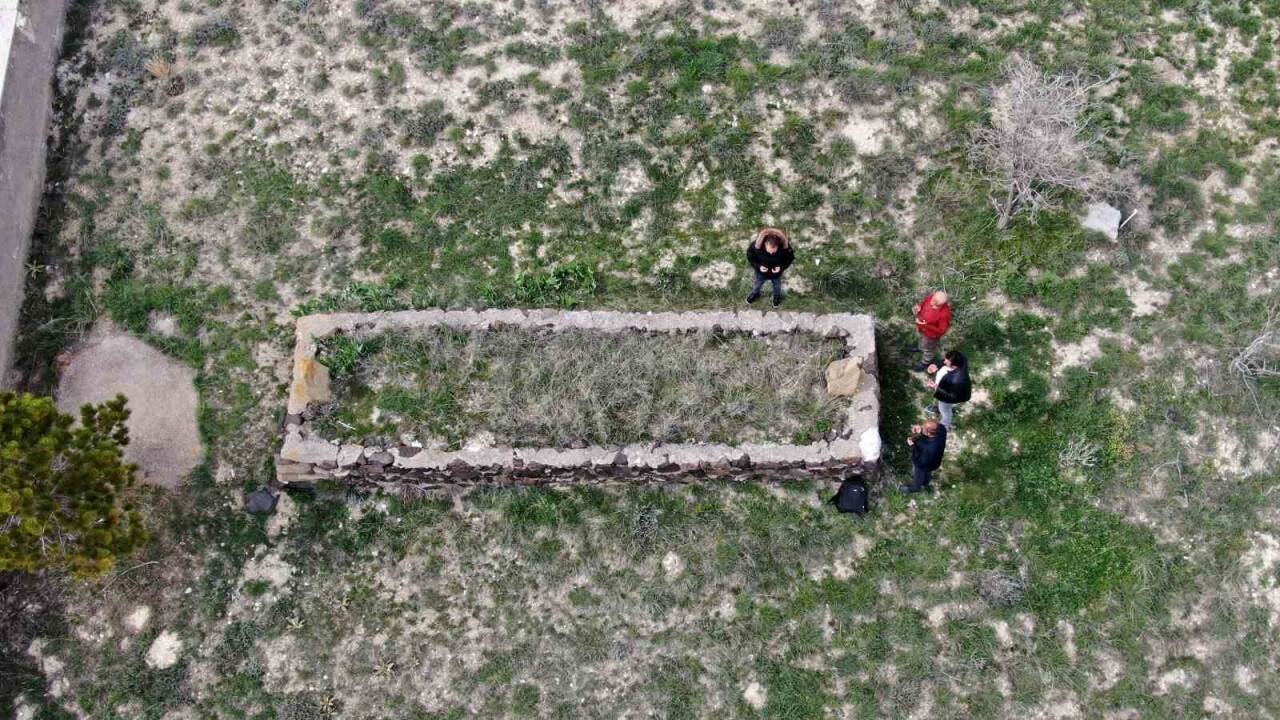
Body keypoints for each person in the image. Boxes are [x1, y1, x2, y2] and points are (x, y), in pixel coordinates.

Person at [745, 227, 794, 307]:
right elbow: (750, 257)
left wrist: (781, 267)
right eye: (769, 250)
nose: (771, 253)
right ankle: (755, 294)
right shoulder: (756, 247)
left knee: (777, 287)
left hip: (776, 274)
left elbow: (789, 259)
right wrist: (758, 267)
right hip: (761, 273)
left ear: (778, 246)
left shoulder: (785, 248)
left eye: (774, 251)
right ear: (765, 244)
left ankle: (777, 297)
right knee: (757, 285)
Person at [927, 350, 971, 429]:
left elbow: (953, 396)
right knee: (945, 407)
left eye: (946, 362)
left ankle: (944, 426)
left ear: (954, 366)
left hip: (948, 398)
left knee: (946, 412)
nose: (944, 362)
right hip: (947, 389)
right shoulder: (961, 358)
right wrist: (937, 365)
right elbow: (949, 359)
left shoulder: (957, 380)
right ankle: (939, 409)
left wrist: (936, 388)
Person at [900, 419, 946, 493]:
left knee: (918, 480)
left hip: (923, 465)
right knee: (928, 473)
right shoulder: (942, 430)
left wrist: (912, 445)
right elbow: (939, 427)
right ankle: (926, 482)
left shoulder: (928, 447)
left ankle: (912, 489)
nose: (922, 427)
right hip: (934, 462)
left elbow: (921, 461)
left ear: (928, 433)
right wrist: (921, 429)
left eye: (923, 428)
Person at [911, 290, 952, 371]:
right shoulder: (931, 299)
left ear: (941, 305)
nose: (931, 304)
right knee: (922, 340)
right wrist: (919, 308)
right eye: (932, 300)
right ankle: (920, 348)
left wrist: (926, 325)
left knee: (929, 349)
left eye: (935, 306)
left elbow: (941, 330)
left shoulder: (944, 315)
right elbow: (924, 303)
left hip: (931, 335)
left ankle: (925, 362)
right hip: (922, 328)